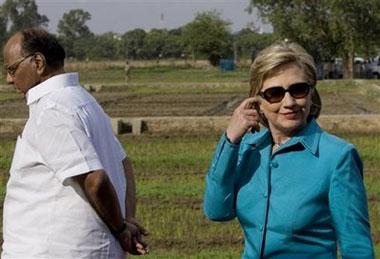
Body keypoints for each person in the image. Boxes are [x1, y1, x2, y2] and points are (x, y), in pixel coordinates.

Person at [203, 41, 374, 258]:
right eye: (275, 93)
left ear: (312, 94)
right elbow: (217, 211)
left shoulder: (337, 157)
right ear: (258, 100)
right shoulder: (247, 149)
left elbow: (357, 248)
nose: (289, 102)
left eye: (298, 90)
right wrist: (230, 140)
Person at [2, 27, 148, 258]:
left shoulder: (52, 109)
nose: (9, 80)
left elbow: (95, 179)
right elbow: (124, 164)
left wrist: (121, 228)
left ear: (38, 62)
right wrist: (125, 218)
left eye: (12, 69)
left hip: (54, 251)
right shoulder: (82, 100)